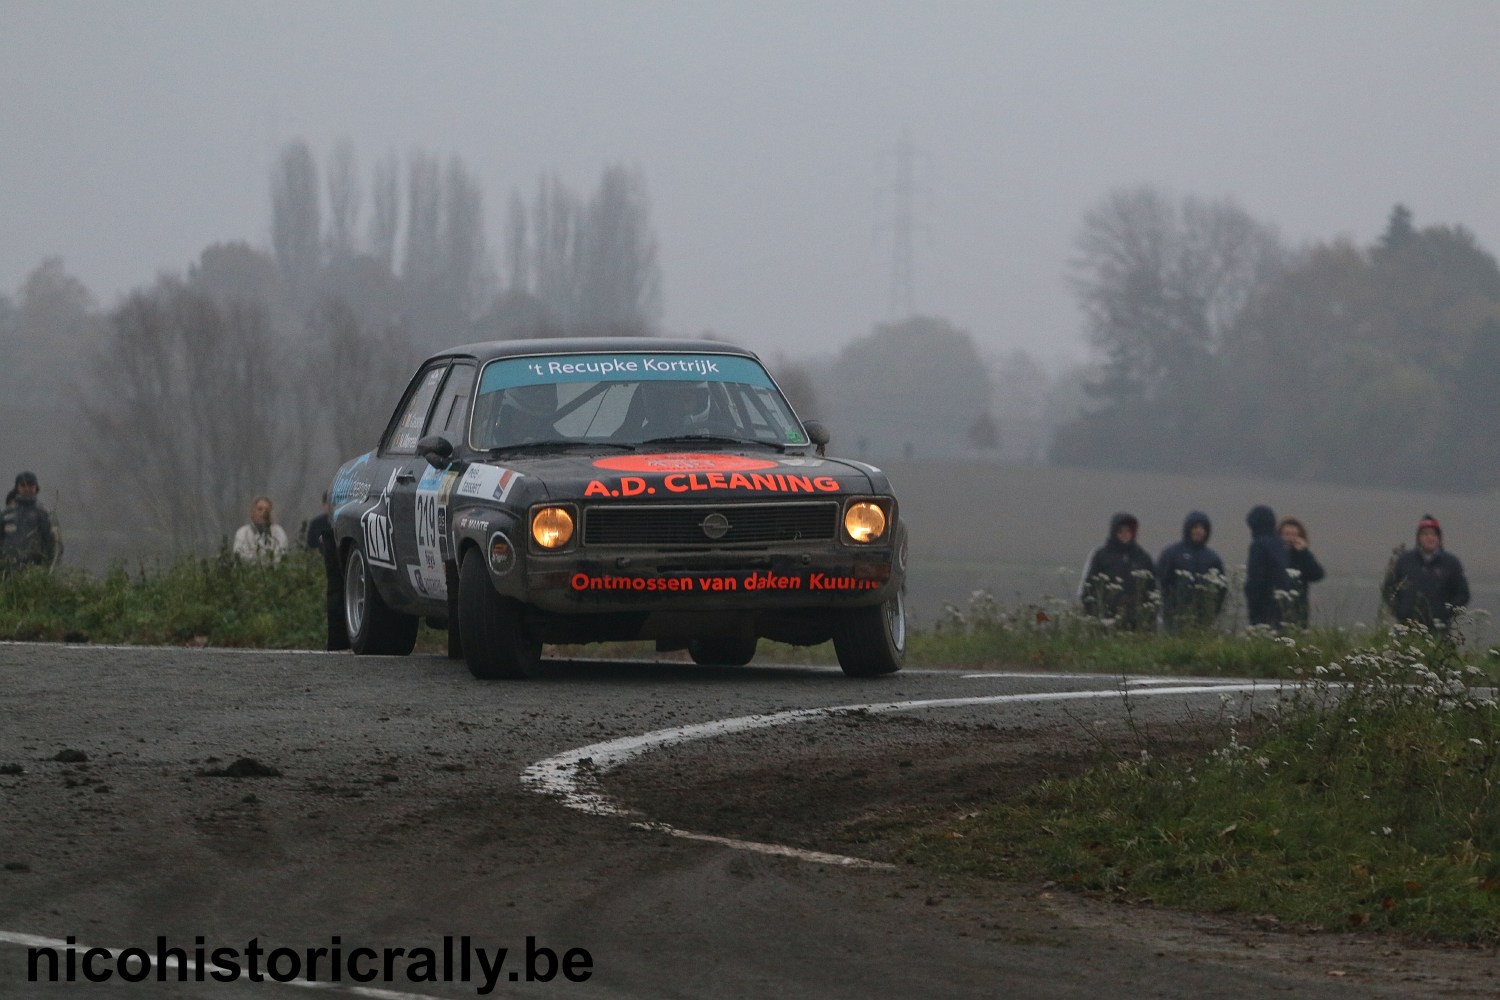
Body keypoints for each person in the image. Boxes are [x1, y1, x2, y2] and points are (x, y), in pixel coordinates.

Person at [1382, 514, 1470, 631]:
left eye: (1433, 534)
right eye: (1425, 534)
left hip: (1438, 629)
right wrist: (1399, 610)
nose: (1430, 538)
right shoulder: (1404, 560)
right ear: (1418, 538)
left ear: (1439, 538)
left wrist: (1445, 613)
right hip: (1406, 627)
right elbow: (1388, 588)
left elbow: (1463, 594)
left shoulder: (1451, 563)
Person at [1078, 512, 1157, 630]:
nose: (1124, 535)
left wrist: (1149, 618)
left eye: (1128, 531)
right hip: (1106, 621)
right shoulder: (1101, 556)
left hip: (1137, 622)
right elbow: (1088, 588)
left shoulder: (1143, 557)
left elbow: (1152, 589)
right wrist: (1093, 616)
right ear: (1114, 532)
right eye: (1121, 531)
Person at [1156, 511, 1227, 630]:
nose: (1198, 531)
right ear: (1188, 529)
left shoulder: (1213, 558)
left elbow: (1222, 588)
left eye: (1202, 528)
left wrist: (1213, 612)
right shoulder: (1172, 554)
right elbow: (1161, 581)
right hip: (1175, 617)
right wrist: (1168, 607)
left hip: (1203, 618)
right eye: (1195, 527)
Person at [1243, 504, 1293, 629]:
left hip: (1263, 601)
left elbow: (1255, 577)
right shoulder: (1279, 543)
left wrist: (1252, 600)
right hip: (1280, 601)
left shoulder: (1259, 544)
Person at [1, 471, 60, 573]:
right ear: (17, 488)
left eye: (30, 485)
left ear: (36, 487)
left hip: (35, 573)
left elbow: (54, 545)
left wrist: (48, 569)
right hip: (7, 571)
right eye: (23, 485)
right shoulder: (6, 515)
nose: (27, 488)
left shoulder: (46, 514)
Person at [1276, 516, 1326, 629]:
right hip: (1275, 610)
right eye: (1286, 534)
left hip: (1298, 611)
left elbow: (1318, 575)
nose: (1290, 539)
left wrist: (1304, 553)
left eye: (1294, 535)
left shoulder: (1303, 557)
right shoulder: (1273, 556)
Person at [233, 495, 288, 562]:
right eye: (260, 509)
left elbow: (281, 555)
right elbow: (239, 555)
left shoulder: (279, 532)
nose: (263, 513)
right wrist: (262, 559)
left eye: (267, 510)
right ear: (252, 512)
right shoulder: (242, 532)